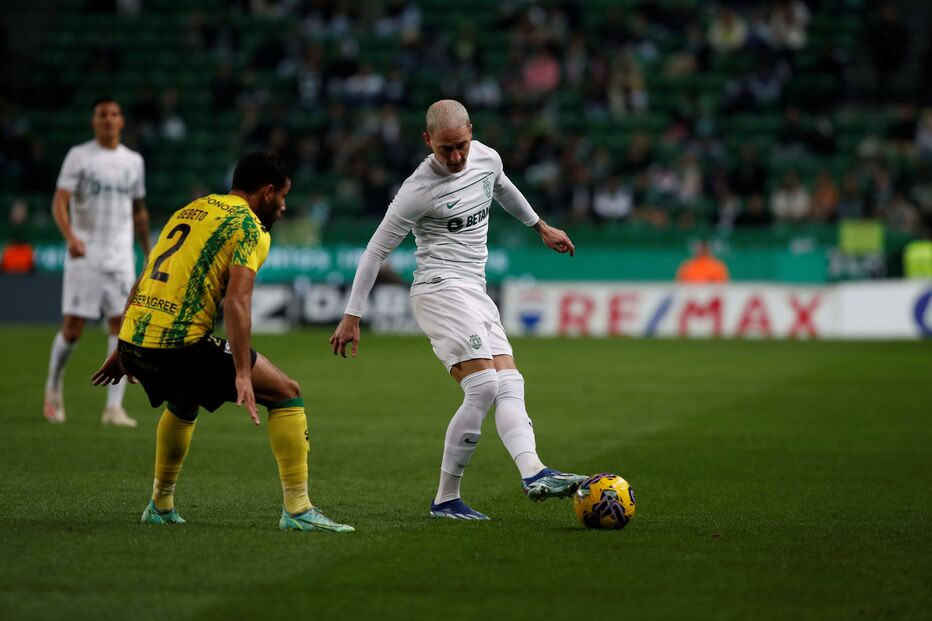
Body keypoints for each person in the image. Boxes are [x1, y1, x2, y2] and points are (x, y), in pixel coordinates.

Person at [329, 99, 586, 521]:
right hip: (438, 289)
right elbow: (375, 251)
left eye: (461, 145)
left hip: (475, 290)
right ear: (427, 141)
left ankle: (534, 472)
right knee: (483, 385)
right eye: (445, 149)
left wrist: (540, 226)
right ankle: (446, 498)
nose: (456, 157)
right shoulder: (417, 190)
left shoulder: (486, 158)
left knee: (509, 382)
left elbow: (502, 186)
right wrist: (352, 314)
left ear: (471, 131)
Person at [92, 152, 353, 533]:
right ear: (267, 192)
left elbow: (145, 277)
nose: (283, 207)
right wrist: (243, 373)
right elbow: (237, 300)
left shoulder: (190, 210)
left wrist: (123, 347)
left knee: (184, 399)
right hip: (179, 345)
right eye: (283, 196)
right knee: (285, 393)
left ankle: (161, 504)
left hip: (136, 338)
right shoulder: (249, 227)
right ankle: (298, 509)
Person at [44, 97, 151, 426]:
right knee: (73, 330)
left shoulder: (133, 161)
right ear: (94, 121)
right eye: (102, 115)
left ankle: (113, 408)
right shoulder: (79, 156)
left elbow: (138, 210)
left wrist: (149, 250)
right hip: (85, 255)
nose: (108, 120)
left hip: (120, 255)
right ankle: (53, 386)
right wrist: (71, 237)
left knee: (121, 329)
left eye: (114, 114)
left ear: (121, 122)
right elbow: (59, 203)